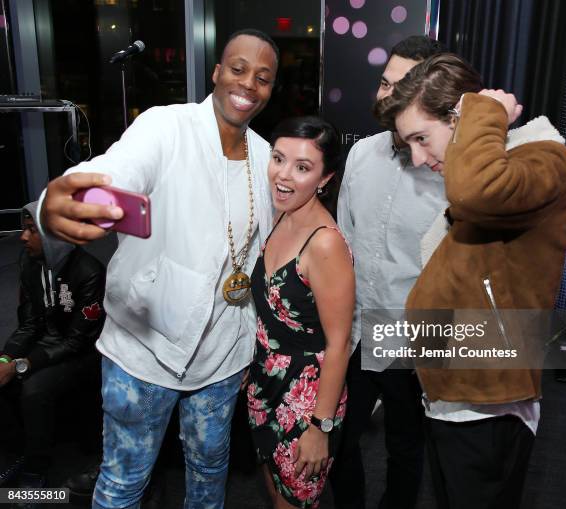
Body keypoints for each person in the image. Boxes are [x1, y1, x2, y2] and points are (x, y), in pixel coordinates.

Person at [39, 29, 279, 509]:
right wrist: (62, 200)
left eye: (263, 77)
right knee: (125, 482)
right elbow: (115, 171)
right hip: (144, 349)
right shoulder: (165, 126)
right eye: (238, 69)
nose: (248, 84)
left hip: (222, 354)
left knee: (210, 471)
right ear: (216, 72)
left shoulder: (264, 155)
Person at [375, 53, 566, 508]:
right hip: (458, 399)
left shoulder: (545, 159)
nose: (418, 157)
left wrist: (484, 113)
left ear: (460, 117)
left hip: (489, 408)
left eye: (422, 139)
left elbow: (473, 190)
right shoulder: (500, 171)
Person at [330, 36, 446, 509]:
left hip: (411, 341)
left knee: (406, 448)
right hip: (355, 332)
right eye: (383, 82)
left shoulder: (449, 168)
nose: (385, 96)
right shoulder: (360, 155)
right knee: (337, 439)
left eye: (401, 87)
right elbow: (342, 244)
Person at [247, 116, 355, 509]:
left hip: (307, 398)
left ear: (325, 179)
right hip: (264, 383)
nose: (284, 175)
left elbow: (340, 344)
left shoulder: (325, 244)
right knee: (274, 489)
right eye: (278, 158)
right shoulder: (281, 217)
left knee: (292, 502)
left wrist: (319, 428)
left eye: (303, 167)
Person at [0, 202, 105, 492]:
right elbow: (29, 323)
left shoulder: (89, 271)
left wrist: (22, 365)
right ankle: (20, 451)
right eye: (24, 229)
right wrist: (6, 357)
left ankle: (36, 472)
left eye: (32, 230)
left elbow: (76, 341)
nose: (23, 237)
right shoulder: (29, 262)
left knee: (35, 390)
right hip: (46, 342)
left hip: (83, 353)